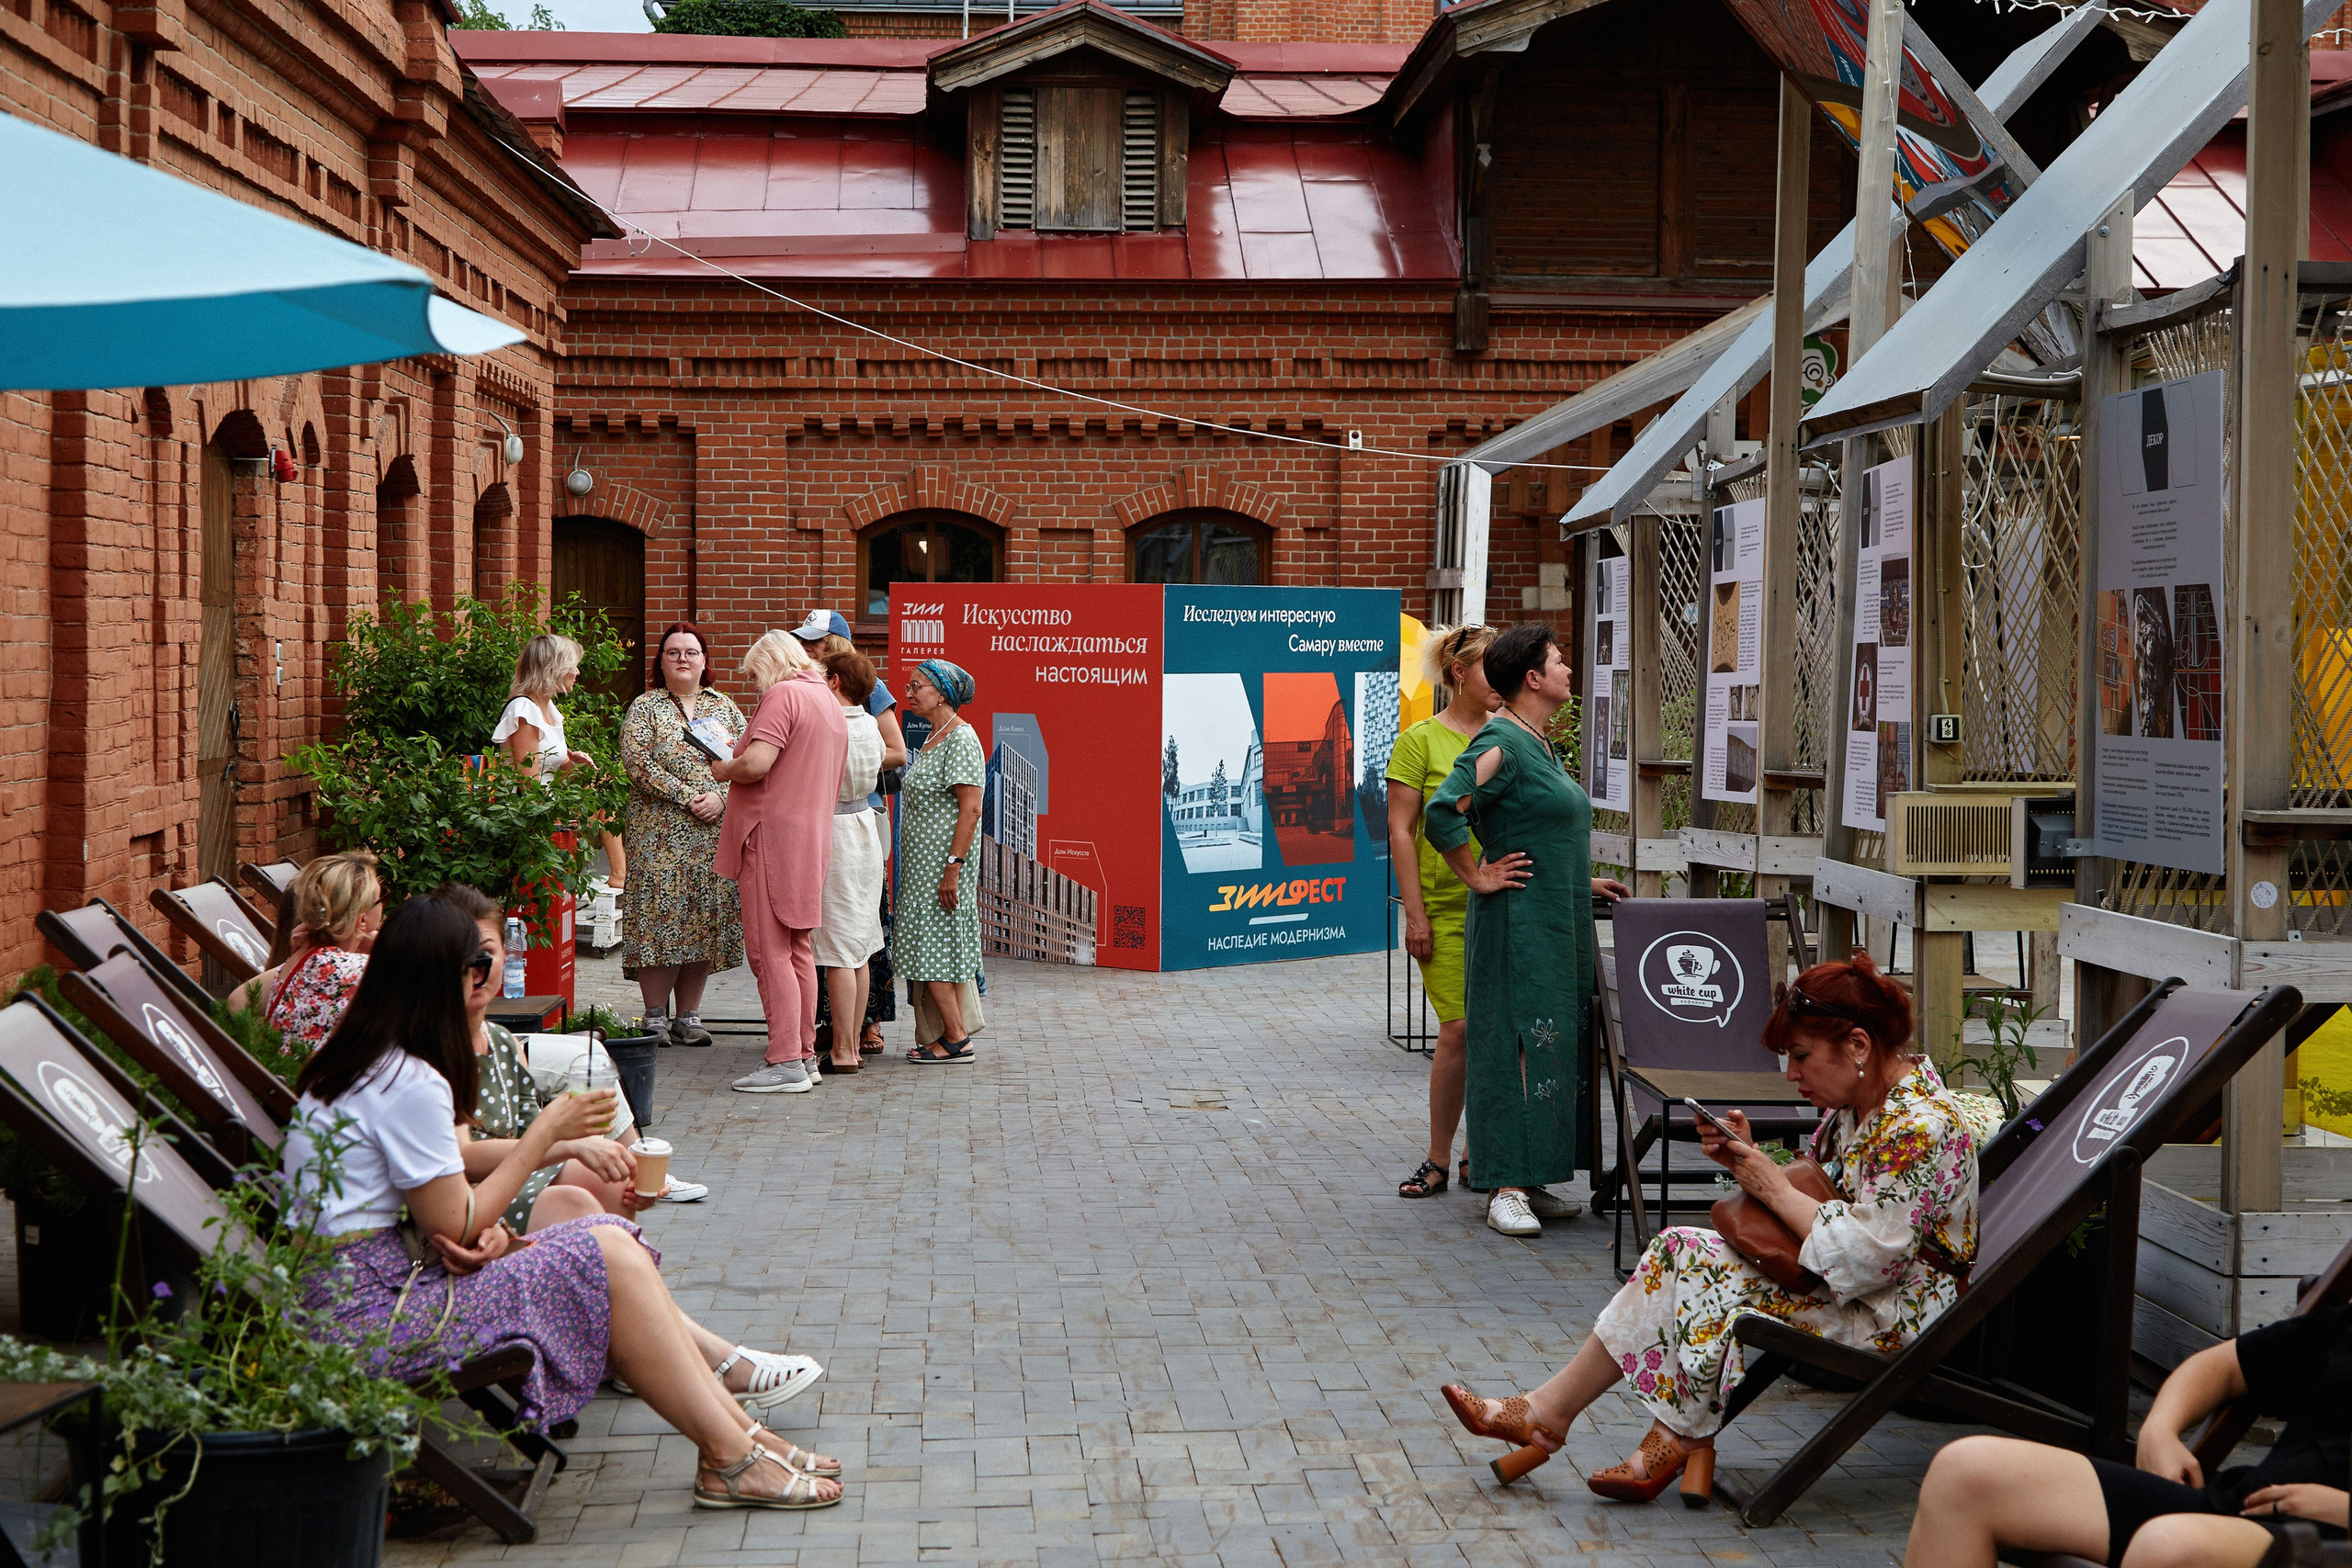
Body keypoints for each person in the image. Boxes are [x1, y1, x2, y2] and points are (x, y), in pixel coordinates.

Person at [281, 897, 843, 1507]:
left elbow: (443, 1212)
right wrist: (544, 1134)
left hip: (366, 1294)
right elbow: (456, 1222)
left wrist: (492, 1226)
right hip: (373, 1322)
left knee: (610, 1242)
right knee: (608, 1254)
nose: (484, 979)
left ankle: (742, 1443)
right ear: (448, 977)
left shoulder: (368, 1059)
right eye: (476, 965)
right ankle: (733, 1454)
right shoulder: (408, 1079)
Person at [1439, 954, 1978, 1506]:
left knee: (1706, 1276)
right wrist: (1752, 1159)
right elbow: (1826, 1195)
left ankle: (1663, 1433)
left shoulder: (1919, 1125)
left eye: (1801, 1056)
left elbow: (1873, 1259)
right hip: (1850, 1285)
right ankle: (1561, 1415)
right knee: (1677, 1248)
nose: (1791, 1074)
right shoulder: (1861, 1105)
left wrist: (1773, 1186)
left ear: (1858, 1046)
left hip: (1893, 1313)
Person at [1424, 623, 1626, 1235]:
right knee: (1513, 1045)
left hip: (1553, 919)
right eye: (1559, 662)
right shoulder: (1501, 742)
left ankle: (1532, 1178)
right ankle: (1504, 1185)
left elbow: (1534, 827)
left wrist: (1578, 881)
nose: (1568, 670)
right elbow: (1444, 809)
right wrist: (1476, 875)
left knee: (1548, 1045)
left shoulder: (1537, 742)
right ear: (1533, 678)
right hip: (1516, 927)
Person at [1903, 1314, 2351, 1567]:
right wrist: (2159, 1430)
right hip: (2245, 1509)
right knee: (1965, 1474)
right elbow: (2226, 1366)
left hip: (2326, 1543)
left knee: (2168, 1546)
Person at [1385, 624, 1501, 1201]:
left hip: (1505, 901)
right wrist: (1415, 915)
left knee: (1500, 1030)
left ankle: (1480, 1155)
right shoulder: (1420, 741)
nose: (1504, 679)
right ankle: (1437, 1157)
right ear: (1460, 672)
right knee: (1458, 1028)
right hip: (1446, 908)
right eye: (1491, 667)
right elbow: (1401, 830)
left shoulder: (1512, 735)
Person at [710, 631, 848, 1094]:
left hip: (770, 837)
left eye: (755, 674)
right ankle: (803, 1055)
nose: (755, 685)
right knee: (798, 949)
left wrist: (723, 767)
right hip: (810, 839)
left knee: (768, 952)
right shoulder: (827, 699)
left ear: (771, 663)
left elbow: (755, 764)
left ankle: (785, 1060)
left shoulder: (784, 694)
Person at [619, 622, 748, 1046]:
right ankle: (655, 1016)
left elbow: (748, 761)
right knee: (659, 917)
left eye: (691, 652)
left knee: (702, 918)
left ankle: (689, 1016)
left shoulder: (725, 708)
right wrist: (688, 796)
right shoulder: (645, 707)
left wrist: (721, 798)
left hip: (712, 834)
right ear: (661, 661)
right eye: (673, 652)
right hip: (658, 836)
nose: (682, 659)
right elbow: (637, 763)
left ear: (704, 660)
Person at [792, 610, 906, 1057]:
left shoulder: (864, 688)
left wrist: (842, 759)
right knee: (846, 935)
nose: (808, 648)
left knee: (853, 934)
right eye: (804, 640)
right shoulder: (813, 686)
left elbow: (897, 751)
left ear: (837, 645)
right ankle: (837, 1029)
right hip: (849, 819)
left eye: (816, 641)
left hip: (852, 818)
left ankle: (862, 1029)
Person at [891, 659, 984, 1063]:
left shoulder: (961, 738)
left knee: (934, 949)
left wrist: (953, 868)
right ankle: (950, 1033)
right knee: (931, 947)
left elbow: (971, 809)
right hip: (921, 869)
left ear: (942, 694)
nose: (909, 693)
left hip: (942, 868)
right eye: (909, 687)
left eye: (917, 686)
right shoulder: (933, 737)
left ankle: (957, 1038)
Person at [494, 632, 628, 893]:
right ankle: (620, 875)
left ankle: (620, 875)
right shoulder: (524, 710)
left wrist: (573, 764)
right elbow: (529, 785)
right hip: (531, 815)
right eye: (572, 666)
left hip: (552, 803)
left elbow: (555, 769)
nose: (577, 672)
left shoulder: (548, 708)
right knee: (602, 790)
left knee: (605, 783)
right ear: (552, 669)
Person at [227, 852, 383, 1060]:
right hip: (326, 1080)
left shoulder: (301, 963)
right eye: (382, 897)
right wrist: (381, 943)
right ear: (362, 920)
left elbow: (238, 1000)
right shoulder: (358, 969)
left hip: (287, 1077)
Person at [811, 649, 887, 1075]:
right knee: (860, 945)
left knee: (839, 948)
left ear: (835, 681)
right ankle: (852, 1046)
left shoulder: (829, 724)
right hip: (864, 828)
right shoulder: (870, 723)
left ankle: (841, 1050)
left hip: (836, 831)